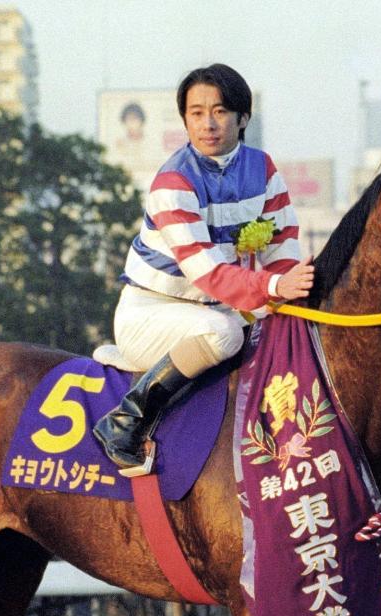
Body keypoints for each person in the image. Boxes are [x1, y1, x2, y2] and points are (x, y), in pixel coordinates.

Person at [93, 63, 314, 475]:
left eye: (219, 111)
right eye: (196, 113)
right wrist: (278, 285)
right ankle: (126, 420)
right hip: (153, 311)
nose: (207, 124)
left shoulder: (262, 169)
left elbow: (282, 245)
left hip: (218, 306)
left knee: (289, 331)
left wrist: (287, 289)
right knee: (225, 334)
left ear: (242, 117)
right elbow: (208, 274)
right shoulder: (174, 181)